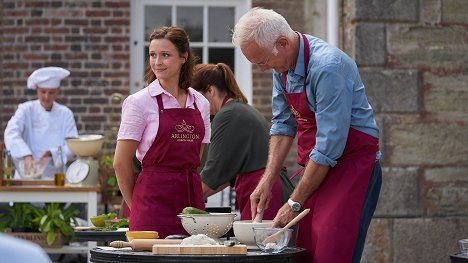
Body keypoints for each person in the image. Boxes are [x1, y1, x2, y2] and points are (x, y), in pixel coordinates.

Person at [232, 7, 382, 263]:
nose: (261, 70)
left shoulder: (328, 67)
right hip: (316, 168)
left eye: (263, 62)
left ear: (282, 43)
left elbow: (328, 146)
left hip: (351, 167)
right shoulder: (282, 67)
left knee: (332, 253)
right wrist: (267, 180)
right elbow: (282, 126)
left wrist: (293, 203)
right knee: (306, 252)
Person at [113, 26, 211, 238]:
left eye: (165, 55)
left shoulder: (200, 103)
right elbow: (120, 164)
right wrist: (137, 205)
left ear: (183, 57)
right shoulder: (139, 103)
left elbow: (198, 156)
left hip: (191, 205)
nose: (157, 62)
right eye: (153, 55)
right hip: (151, 205)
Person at [191, 63, 294, 221]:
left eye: (195, 97)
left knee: (261, 244)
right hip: (267, 189)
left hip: (265, 192)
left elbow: (212, 173)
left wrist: (180, 202)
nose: (194, 105)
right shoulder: (239, 109)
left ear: (210, 91)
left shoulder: (227, 115)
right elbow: (224, 175)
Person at [4, 67, 78, 179]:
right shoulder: (25, 109)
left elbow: (72, 145)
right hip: (26, 175)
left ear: (57, 91)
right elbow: (10, 133)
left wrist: (52, 154)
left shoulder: (65, 114)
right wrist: (26, 155)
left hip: (55, 177)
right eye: (43, 92)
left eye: (51, 92)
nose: (46, 97)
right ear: (37, 90)